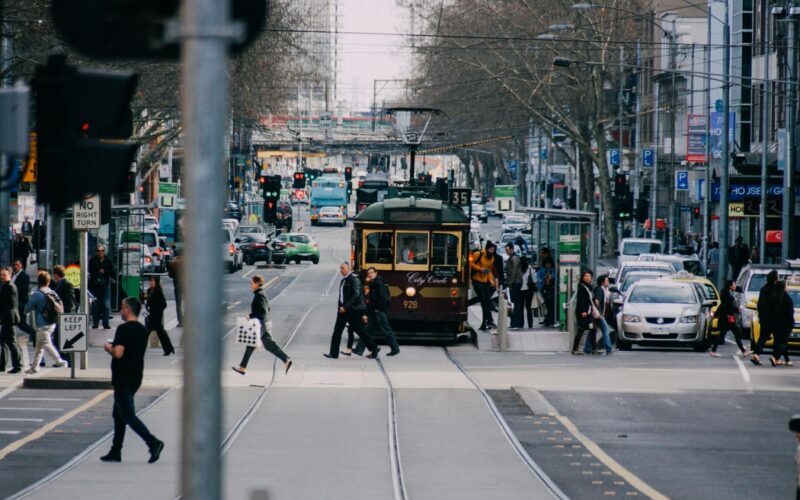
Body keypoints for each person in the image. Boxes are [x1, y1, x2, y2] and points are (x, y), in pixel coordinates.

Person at [100, 297, 164, 463]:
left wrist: (108, 348)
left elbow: (118, 353)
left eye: (122, 308)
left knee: (128, 416)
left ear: (127, 310)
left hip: (123, 377)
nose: (120, 311)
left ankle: (153, 442)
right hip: (136, 376)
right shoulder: (143, 330)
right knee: (118, 414)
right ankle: (116, 450)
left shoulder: (123, 329)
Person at [232, 275, 293, 374]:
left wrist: (250, 315)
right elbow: (268, 309)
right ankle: (286, 360)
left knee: (250, 345)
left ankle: (242, 367)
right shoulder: (262, 294)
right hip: (265, 323)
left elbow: (263, 311)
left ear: (256, 283)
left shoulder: (259, 295)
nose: (250, 285)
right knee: (268, 345)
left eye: (251, 283)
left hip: (261, 324)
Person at [324, 262, 379, 359]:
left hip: (353, 310)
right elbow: (342, 296)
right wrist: (341, 307)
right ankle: (333, 353)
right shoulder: (344, 280)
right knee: (337, 331)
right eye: (340, 268)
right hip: (343, 310)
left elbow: (356, 295)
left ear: (348, 268)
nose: (341, 270)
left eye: (342, 268)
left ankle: (374, 349)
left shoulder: (354, 279)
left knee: (360, 330)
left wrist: (345, 307)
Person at [24, 271, 67, 374]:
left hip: (42, 324)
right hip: (52, 322)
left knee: (46, 344)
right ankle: (34, 368)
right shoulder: (52, 292)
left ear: (38, 282)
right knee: (40, 347)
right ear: (48, 282)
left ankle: (60, 361)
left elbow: (27, 308)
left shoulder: (37, 294)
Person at [353, 267, 400, 357]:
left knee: (386, 330)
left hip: (378, 312)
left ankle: (395, 349)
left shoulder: (378, 283)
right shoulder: (373, 283)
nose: (370, 274)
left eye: (372, 273)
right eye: (368, 273)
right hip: (374, 312)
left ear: (376, 273)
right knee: (366, 331)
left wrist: (378, 309)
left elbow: (383, 298)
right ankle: (359, 349)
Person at [710, 280, 750, 358]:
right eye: (734, 284)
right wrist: (737, 310)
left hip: (726, 317)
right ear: (730, 285)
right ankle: (743, 351)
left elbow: (723, 305)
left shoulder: (726, 292)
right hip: (727, 318)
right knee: (732, 333)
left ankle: (743, 351)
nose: (735, 285)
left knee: (727, 333)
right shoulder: (727, 294)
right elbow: (728, 307)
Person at [752, 270, 779, 366]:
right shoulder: (776, 289)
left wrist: (761, 315)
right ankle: (775, 357)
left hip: (764, 318)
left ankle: (756, 354)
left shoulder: (763, 289)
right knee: (777, 338)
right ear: (775, 278)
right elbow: (777, 304)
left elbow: (759, 304)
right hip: (774, 318)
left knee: (762, 337)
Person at [143, 276, 175, 357]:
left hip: (156, 316)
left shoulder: (158, 291)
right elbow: (146, 300)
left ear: (156, 282)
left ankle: (169, 349)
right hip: (152, 316)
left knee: (150, 333)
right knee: (160, 333)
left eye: (152, 281)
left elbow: (164, 304)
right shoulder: (150, 291)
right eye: (150, 281)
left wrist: (157, 310)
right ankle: (169, 349)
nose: (150, 283)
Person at [469, 241, 497, 330]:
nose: (492, 251)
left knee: (486, 301)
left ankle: (485, 322)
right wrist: (480, 269)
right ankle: (486, 322)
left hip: (485, 281)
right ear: (486, 249)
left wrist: (491, 280)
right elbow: (471, 264)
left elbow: (488, 270)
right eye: (491, 249)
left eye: (493, 249)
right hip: (476, 280)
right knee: (483, 300)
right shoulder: (478, 254)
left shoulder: (492, 258)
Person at [52, 265, 76, 362]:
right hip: (60, 316)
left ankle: (67, 360)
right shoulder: (59, 284)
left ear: (57, 275)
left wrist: (66, 315)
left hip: (64, 315)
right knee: (58, 339)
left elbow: (71, 302)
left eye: (54, 275)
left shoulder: (67, 284)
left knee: (62, 339)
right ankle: (63, 360)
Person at [0, 268, 22, 374]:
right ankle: (2, 365)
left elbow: (6, 305)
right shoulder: (7, 286)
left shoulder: (9, 287)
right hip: (8, 318)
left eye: (4, 275)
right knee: (4, 341)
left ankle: (17, 365)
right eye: (1, 275)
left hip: (9, 318)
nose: (2, 277)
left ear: (10, 275)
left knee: (11, 342)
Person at [89, 245, 114, 329]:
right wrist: (97, 272)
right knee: (95, 304)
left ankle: (105, 323)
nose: (100, 252)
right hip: (94, 285)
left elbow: (112, 272)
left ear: (104, 251)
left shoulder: (108, 261)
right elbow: (90, 270)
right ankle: (95, 323)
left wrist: (105, 271)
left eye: (102, 250)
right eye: (99, 251)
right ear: (96, 252)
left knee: (105, 305)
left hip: (104, 285)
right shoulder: (93, 260)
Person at [572, 269, 595, 355]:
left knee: (592, 329)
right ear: (582, 277)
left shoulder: (589, 286)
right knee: (581, 330)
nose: (587, 278)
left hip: (588, 312)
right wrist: (583, 311)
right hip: (583, 313)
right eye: (586, 276)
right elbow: (581, 300)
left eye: (589, 276)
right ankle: (575, 349)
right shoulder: (581, 286)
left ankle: (593, 348)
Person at [11, 259, 35, 343]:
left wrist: (12, 288)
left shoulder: (25, 276)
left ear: (21, 265)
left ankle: (34, 334)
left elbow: (23, 289)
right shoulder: (13, 275)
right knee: (12, 322)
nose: (15, 266)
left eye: (17, 265)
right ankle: (11, 338)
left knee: (21, 324)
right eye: (14, 265)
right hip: (14, 303)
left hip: (20, 303)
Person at [770, 281, 793, 367]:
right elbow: (790, 313)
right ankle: (775, 356)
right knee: (784, 342)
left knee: (777, 342)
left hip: (775, 324)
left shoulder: (773, 297)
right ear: (783, 287)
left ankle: (786, 360)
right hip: (785, 324)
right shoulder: (786, 298)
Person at [591, 275, 614, 355]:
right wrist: (597, 301)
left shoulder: (604, 290)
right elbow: (596, 299)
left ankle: (587, 348)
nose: (608, 282)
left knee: (593, 331)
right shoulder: (599, 289)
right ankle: (609, 349)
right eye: (607, 281)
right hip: (599, 315)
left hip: (599, 314)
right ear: (602, 282)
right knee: (606, 330)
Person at [504, 242, 524, 329]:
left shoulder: (514, 258)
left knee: (515, 303)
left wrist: (509, 285)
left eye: (507, 250)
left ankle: (516, 322)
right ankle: (516, 322)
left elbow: (514, 272)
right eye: (506, 250)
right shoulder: (512, 258)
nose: (506, 252)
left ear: (512, 249)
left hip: (516, 283)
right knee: (515, 302)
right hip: (515, 282)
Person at [167, 253, 183, 327]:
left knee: (178, 304)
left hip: (177, 286)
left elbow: (170, 275)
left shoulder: (173, 263)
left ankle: (181, 321)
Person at [520, 256, 536, 328]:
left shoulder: (518, 269)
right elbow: (535, 280)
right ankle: (530, 324)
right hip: (528, 291)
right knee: (529, 309)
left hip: (520, 290)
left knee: (521, 308)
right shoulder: (530, 269)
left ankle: (521, 323)